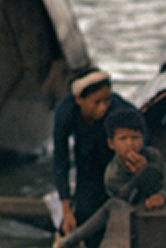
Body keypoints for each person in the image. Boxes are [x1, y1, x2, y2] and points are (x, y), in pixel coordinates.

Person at [53, 69, 140, 234]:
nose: (103, 107)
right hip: (86, 162)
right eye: (97, 102)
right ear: (79, 100)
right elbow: (60, 159)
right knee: (84, 213)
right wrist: (66, 207)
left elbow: (141, 138)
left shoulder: (121, 110)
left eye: (107, 100)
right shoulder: (65, 112)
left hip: (115, 162)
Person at [103, 107, 166, 210]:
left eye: (135, 137)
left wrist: (162, 196)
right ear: (111, 143)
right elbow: (126, 199)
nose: (130, 143)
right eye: (123, 138)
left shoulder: (153, 155)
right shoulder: (113, 174)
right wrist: (142, 174)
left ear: (143, 138)